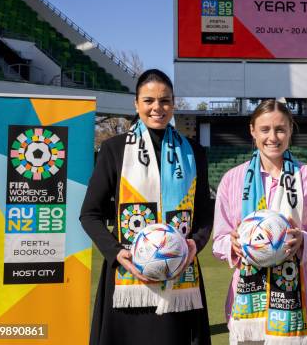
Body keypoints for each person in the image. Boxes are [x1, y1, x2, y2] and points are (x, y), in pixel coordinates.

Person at [80, 69, 212, 345]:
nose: (157, 108)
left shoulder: (194, 152)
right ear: (136, 104)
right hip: (128, 278)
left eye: (164, 101)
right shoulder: (114, 150)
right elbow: (90, 213)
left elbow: (204, 216)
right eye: (149, 100)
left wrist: (194, 245)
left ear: (173, 104)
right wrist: (116, 254)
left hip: (180, 277)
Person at [213, 99, 307, 345]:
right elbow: (219, 239)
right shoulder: (232, 180)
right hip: (247, 310)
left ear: (290, 130)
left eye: (280, 129)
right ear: (252, 131)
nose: (273, 137)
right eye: (265, 129)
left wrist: (305, 240)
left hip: (301, 306)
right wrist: (232, 245)